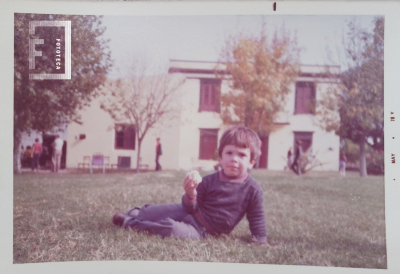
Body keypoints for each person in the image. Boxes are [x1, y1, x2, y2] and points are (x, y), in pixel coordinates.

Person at [112, 126, 268, 245]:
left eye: (242, 155)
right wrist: (191, 194)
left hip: (202, 231)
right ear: (220, 157)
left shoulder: (253, 190)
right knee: (166, 210)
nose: (234, 159)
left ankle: (130, 223)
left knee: (172, 229)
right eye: (229, 153)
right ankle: (139, 213)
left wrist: (261, 240)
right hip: (192, 212)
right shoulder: (209, 181)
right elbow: (190, 207)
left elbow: (257, 217)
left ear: (252, 161)